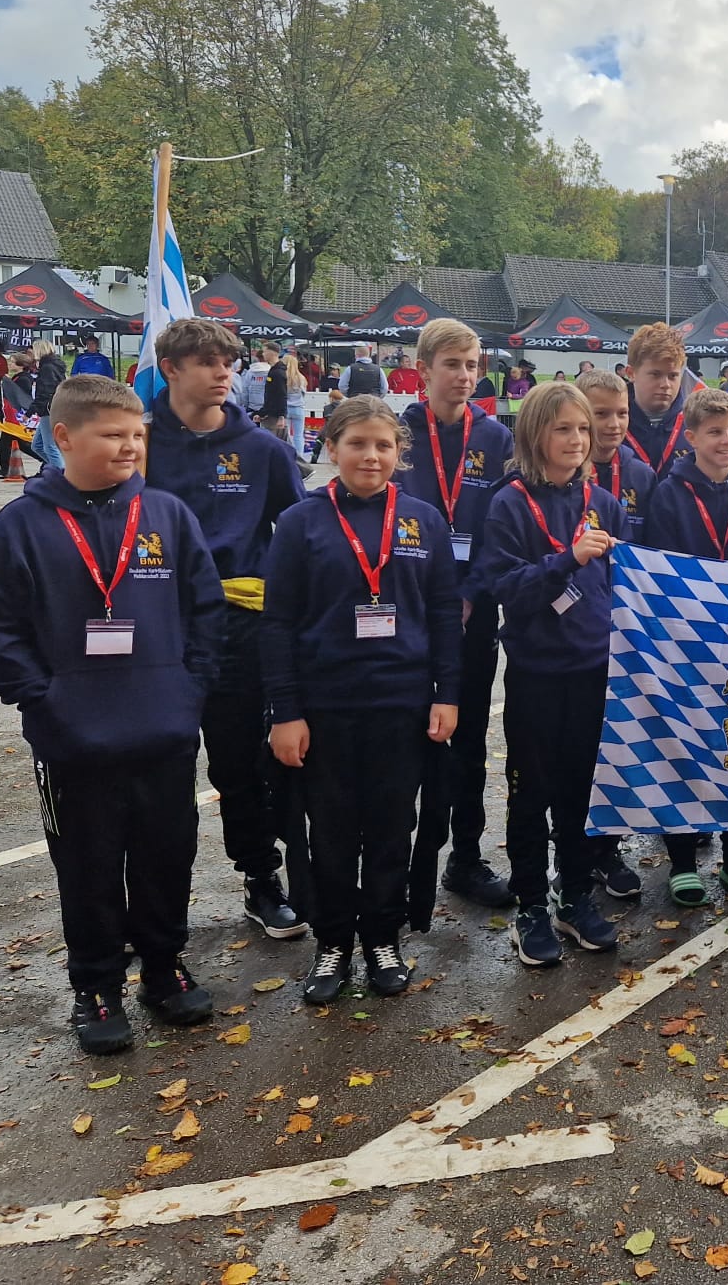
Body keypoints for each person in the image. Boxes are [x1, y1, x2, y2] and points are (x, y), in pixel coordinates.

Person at [0, 375, 224, 1053]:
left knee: (167, 856)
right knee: (87, 866)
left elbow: (205, 610)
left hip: (164, 731)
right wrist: (44, 701)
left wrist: (189, 691)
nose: (130, 446)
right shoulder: (22, 526)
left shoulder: (167, 515)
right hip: (74, 741)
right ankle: (97, 985)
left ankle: (164, 968)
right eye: (113, 434)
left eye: (138, 434)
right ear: (63, 438)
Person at [264, 397, 461, 1004]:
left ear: (400, 452)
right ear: (331, 448)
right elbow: (278, 623)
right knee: (329, 830)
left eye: (383, 445)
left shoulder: (424, 520)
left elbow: (444, 613)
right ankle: (332, 942)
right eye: (357, 444)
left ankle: (381, 935)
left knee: (390, 827)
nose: (370, 456)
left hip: (402, 704)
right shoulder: (300, 522)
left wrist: (448, 693)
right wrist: (285, 711)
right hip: (325, 706)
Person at [145, 317, 308, 939]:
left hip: (240, 631)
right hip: (159, 633)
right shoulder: (140, 442)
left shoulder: (262, 450)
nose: (223, 373)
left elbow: (300, 533)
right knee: (159, 771)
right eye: (208, 362)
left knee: (242, 766)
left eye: (229, 362)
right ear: (171, 369)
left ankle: (260, 877)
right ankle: (158, 904)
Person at [480, 381, 627, 967]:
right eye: (563, 428)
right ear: (535, 433)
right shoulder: (509, 504)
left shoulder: (603, 502)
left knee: (580, 792)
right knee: (530, 793)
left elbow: (621, 588)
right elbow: (506, 589)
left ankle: (574, 896)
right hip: (537, 673)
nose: (577, 439)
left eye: (583, 429)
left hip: (592, 672)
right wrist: (568, 559)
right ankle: (532, 906)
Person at [394, 319, 521, 912]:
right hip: (407, 610)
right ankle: (397, 864)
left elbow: (504, 526)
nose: (465, 376)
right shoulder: (398, 433)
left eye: (473, 365)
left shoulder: (495, 438)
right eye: (452, 365)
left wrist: (471, 593)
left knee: (467, 739)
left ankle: (465, 858)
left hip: (473, 611)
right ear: (423, 370)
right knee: (406, 737)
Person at [642, 387, 728, 904]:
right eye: (715, 432)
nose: (726, 441)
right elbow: (659, 569)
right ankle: (682, 860)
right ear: (691, 437)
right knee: (683, 745)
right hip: (685, 643)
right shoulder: (669, 493)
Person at [581, 367, 656, 539]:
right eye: (601, 414)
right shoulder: (565, 474)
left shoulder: (643, 476)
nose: (614, 424)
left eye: (622, 413)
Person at [625, 324, 693, 474]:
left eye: (673, 376)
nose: (666, 384)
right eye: (655, 375)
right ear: (631, 373)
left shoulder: (696, 423)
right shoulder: (611, 425)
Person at [0, 350, 39, 477]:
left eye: (12, 362)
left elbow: (18, 399)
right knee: (11, 442)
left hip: (17, 417)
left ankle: (45, 459)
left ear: (21, 365)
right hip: (11, 416)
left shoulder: (24, 379)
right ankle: (4, 468)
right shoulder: (17, 378)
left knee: (19, 442)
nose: (10, 364)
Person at [30, 339, 67, 466]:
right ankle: (60, 466)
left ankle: (62, 471)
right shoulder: (55, 366)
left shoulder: (47, 368)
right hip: (52, 406)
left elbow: (45, 391)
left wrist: (32, 409)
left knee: (49, 446)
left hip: (48, 408)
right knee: (37, 445)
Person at [257, 344, 290, 437]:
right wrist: (262, 413)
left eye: (265, 351)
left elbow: (281, 394)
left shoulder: (277, 373)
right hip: (270, 415)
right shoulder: (275, 370)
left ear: (271, 353)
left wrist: (281, 416)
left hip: (273, 417)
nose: (263, 354)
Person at [283, 350, 308, 457]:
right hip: (298, 408)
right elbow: (303, 393)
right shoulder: (301, 378)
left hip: (286, 408)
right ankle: (300, 457)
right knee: (298, 435)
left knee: (287, 435)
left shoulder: (283, 378)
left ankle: (288, 456)